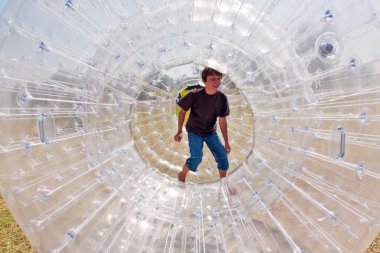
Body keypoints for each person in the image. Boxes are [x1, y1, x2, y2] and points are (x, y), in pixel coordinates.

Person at [174, 66, 231, 182]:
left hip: (210, 132)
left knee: (223, 156)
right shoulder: (194, 96)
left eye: (219, 78)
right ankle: (182, 174)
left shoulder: (222, 98)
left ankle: (223, 183)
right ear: (204, 81)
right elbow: (182, 112)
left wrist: (226, 142)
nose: (217, 82)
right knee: (196, 158)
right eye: (212, 79)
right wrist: (179, 131)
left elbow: (222, 120)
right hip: (194, 132)